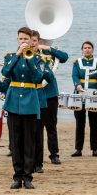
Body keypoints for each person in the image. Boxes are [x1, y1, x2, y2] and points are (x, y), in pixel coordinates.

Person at [1, 27, 44, 189]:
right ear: (17, 40)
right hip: (13, 103)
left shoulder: (37, 59)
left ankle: (28, 176)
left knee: (29, 142)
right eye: (21, 39)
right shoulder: (10, 57)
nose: (23, 42)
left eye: (26, 39)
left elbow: (38, 77)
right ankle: (17, 175)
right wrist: (18, 55)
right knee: (15, 141)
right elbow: (5, 72)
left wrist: (29, 59)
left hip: (30, 103)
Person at [31, 31, 69, 164]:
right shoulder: (27, 54)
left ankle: (54, 154)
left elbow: (64, 57)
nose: (36, 42)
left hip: (50, 93)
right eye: (34, 40)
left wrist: (48, 48)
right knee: (37, 128)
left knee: (51, 126)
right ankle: (37, 158)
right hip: (35, 93)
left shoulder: (48, 52)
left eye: (38, 40)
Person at [71, 41, 97, 157]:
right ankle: (78, 149)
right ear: (82, 50)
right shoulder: (77, 63)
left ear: (93, 50)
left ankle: (94, 149)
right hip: (80, 95)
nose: (87, 50)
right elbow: (74, 75)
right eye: (85, 48)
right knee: (80, 123)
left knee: (94, 123)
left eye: (89, 48)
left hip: (94, 95)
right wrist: (77, 85)